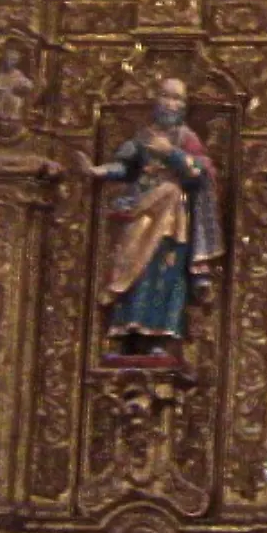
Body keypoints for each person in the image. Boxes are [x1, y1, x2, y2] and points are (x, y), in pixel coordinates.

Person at [77, 78, 224, 357]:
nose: (171, 104)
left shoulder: (186, 138)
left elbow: (200, 174)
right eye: (166, 97)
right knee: (130, 266)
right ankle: (124, 333)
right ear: (155, 101)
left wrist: (172, 154)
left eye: (178, 99)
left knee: (164, 272)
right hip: (140, 210)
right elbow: (124, 166)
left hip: (170, 217)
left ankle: (160, 336)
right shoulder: (142, 137)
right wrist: (98, 171)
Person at [0, 46, 33, 126]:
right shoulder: (0, 74)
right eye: (8, 59)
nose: (10, 62)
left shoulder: (18, 74)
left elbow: (28, 85)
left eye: (13, 60)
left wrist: (20, 88)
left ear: (16, 62)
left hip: (12, 110)